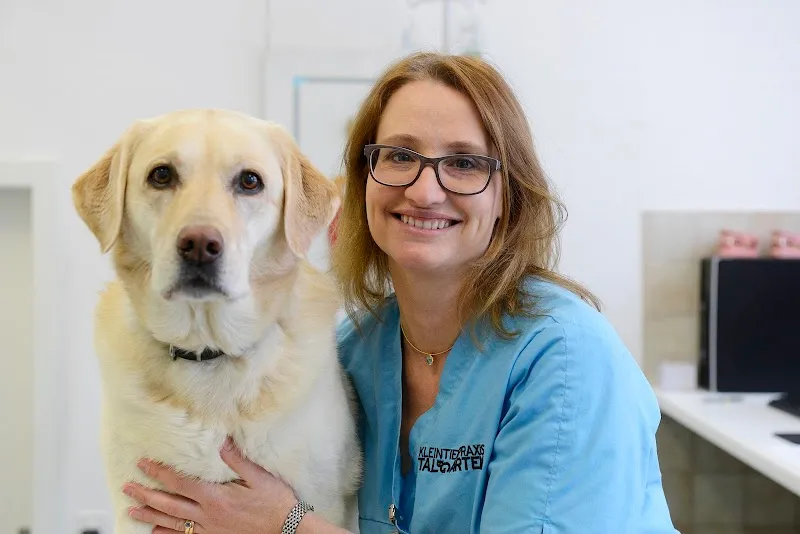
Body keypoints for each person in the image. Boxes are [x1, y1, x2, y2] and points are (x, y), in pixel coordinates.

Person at [123, 52, 679, 533]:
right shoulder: (355, 352)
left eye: (463, 163)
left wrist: (286, 525)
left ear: (508, 196)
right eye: (399, 156)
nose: (424, 188)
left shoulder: (564, 361)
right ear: (363, 183)